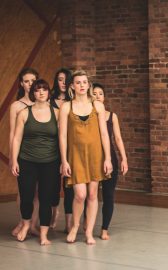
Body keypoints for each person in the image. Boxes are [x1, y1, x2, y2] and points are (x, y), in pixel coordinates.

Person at [59, 70, 112, 245]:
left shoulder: (97, 105)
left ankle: (88, 232)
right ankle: (75, 226)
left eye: (84, 82)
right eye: (78, 82)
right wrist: (64, 160)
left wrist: (108, 159)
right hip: (76, 156)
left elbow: (104, 134)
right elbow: (63, 136)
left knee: (92, 194)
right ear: (72, 86)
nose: (82, 85)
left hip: (96, 155)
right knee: (80, 195)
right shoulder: (67, 107)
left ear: (88, 85)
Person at [10, 79, 60, 245]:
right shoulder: (24, 113)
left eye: (44, 89)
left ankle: (43, 234)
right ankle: (26, 225)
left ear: (48, 92)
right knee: (27, 197)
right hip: (27, 161)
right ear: (33, 93)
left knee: (46, 198)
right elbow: (17, 139)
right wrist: (14, 160)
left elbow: (63, 139)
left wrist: (64, 161)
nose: (41, 92)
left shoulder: (57, 113)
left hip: (50, 162)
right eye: (38, 90)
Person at [92, 83, 128, 240]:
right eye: (94, 93)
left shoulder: (112, 116)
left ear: (104, 96)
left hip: (109, 158)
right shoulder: (88, 115)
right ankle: (87, 226)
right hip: (92, 157)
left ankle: (104, 229)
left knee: (108, 195)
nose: (98, 96)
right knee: (90, 195)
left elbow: (118, 139)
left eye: (100, 93)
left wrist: (124, 159)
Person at [9, 68, 40, 237]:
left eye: (32, 81)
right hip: (23, 154)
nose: (30, 84)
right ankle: (23, 222)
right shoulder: (17, 106)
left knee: (37, 192)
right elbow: (13, 134)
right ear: (21, 83)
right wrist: (13, 158)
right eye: (26, 81)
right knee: (24, 191)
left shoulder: (43, 103)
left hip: (40, 154)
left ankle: (32, 224)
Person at [49, 68, 74, 232]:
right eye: (60, 79)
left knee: (68, 185)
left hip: (70, 147)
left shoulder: (74, 101)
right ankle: (54, 212)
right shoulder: (49, 100)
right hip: (51, 147)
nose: (63, 83)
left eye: (66, 79)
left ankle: (69, 222)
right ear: (56, 81)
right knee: (52, 184)